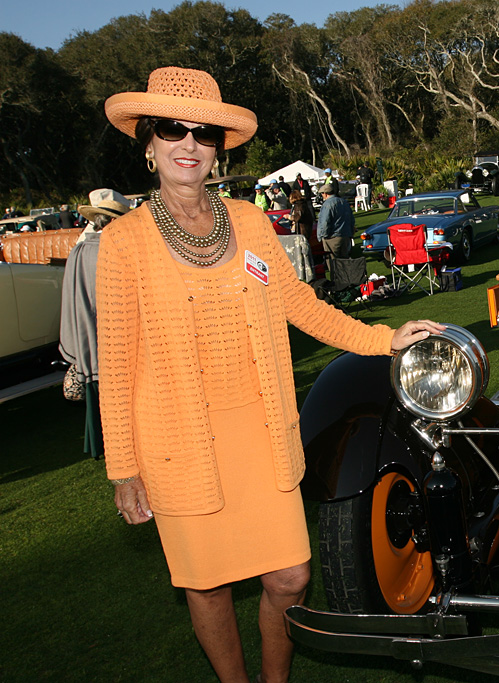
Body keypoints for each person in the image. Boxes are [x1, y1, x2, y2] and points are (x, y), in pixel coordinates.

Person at [98, 66, 443, 683]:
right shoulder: (124, 243)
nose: (187, 144)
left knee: (291, 576)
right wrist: (124, 468)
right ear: (148, 144)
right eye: (170, 130)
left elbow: (302, 306)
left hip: (261, 434)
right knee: (206, 587)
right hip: (176, 445)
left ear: (218, 148)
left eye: (202, 133)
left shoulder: (253, 224)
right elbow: (117, 363)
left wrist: (384, 339)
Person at [59, 188, 131, 459]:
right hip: (118, 341)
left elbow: (73, 300)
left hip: (91, 340)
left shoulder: (79, 251)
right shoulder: (114, 251)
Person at [317, 181, 354, 258]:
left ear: (325, 193)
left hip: (332, 237)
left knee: (333, 262)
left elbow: (325, 222)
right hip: (345, 235)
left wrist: (323, 236)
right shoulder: (344, 202)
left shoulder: (327, 204)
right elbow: (351, 219)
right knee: (345, 261)